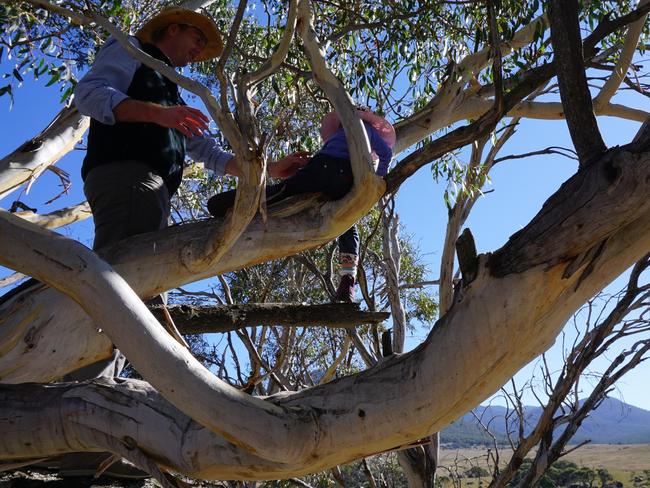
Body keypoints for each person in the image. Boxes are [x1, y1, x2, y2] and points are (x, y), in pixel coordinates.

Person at [60, 7, 308, 478]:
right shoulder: (133, 53)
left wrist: (266, 171)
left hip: (145, 188)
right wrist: (161, 113)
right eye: (197, 39)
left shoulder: (168, 82)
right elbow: (90, 95)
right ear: (172, 29)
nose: (198, 51)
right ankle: (87, 445)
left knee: (131, 300)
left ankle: (100, 435)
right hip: (132, 181)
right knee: (121, 301)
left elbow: (206, 152)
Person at [207, 108, 395, 302]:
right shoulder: (369, 131)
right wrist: (376, 180)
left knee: (284, 191)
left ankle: (239, 201)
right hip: (343, 176)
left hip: (319, 167)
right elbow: (386, 154)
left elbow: (325, 158)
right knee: (348, 226)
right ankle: (347, 281)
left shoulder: (338, 133)